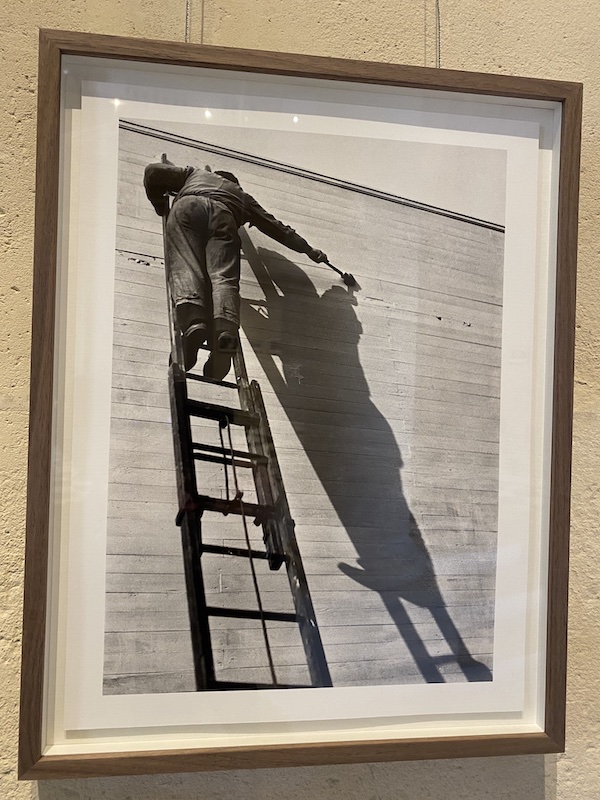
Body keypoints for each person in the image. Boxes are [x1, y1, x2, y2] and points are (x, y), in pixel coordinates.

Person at [143, 161, 329, 379]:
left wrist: (159, 204)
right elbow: (278, 229)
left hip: (188, 207)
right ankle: (226, 334)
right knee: (224, 279)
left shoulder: (195, 174)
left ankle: (194, 324)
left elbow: (152, 171)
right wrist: (308, 250)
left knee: (187, 266)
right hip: (225, 218)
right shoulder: (242, 196)